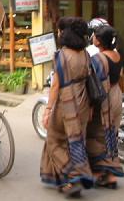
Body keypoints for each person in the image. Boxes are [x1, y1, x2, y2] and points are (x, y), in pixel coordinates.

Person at [40, 17, 93, 197]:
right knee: (75, 143)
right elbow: (89, 79)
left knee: (54, 141)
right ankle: (65, 179)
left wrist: (48, 110)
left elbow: (56, 85)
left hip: (66, 105)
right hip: (84, 104)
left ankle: (72, 176)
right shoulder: (85, 54)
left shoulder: (62, 55)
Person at [86, 26, 124, 189]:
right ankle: (111, 176)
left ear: (99, 41)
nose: (92, 37)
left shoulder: (99, 59)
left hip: (105, 99)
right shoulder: (117, 55)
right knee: (111, 135)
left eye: (94, 36)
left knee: (96, 135)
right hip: (117, 95)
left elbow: (97, 85)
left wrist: (90, 106)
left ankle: (100, 173)